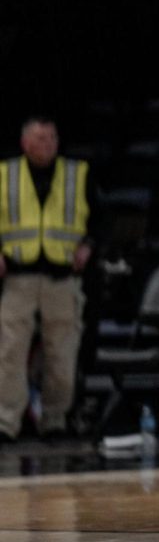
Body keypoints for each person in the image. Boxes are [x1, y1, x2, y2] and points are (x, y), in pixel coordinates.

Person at [0, 117, 100, 442]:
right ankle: (6, 422)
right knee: (10, 352)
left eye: (53, 138)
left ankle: (55, 419)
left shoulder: (77, 174)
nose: (49, 144)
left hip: (62, 277)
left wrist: (88, 246)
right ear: (25, 143)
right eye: (41, 138)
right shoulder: (5, 173)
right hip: (19, 277)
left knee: (62, 352)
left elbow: (101, 219)